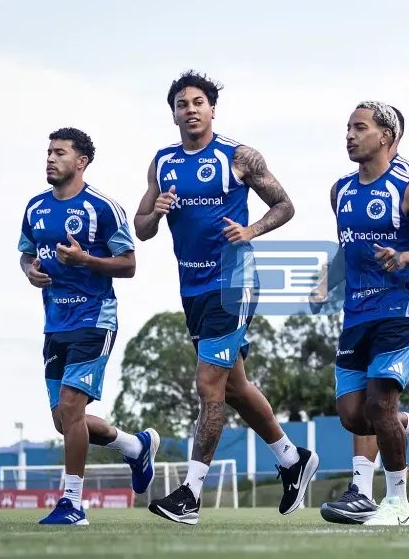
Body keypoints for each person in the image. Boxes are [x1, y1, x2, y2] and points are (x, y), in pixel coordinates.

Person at [134, 71, 318, 525]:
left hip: (234, 283)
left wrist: (251, 230)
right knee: (234, 386)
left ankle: (190, 495)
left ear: (213, 110)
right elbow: (141, 227)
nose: (191, 110)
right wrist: (155, 213)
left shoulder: (238, 157)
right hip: (192, 288)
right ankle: (292, 458)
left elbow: (285, 205)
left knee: (208, 384)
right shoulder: (162, 162)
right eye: (182, 104)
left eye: (199, 102)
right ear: (173, 114)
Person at [310, 101, 409, 526]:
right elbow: (349, 249)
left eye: (360, 128)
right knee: (355, 416)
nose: (349, 135)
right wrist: (325, 282)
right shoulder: (340, 191)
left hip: (401, 307)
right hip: (356, 314)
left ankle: (397, 503)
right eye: (348, 128)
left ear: (386, 136)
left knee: (381, 404)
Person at [18, 127, 159, 526]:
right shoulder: (35, 207)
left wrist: (86, 261)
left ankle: (73, 504)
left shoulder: (103, 208)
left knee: (70, 407)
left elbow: (129, 264)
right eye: (49, 152)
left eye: (60, 153)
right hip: (54, 324)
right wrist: (30, 271)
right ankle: (135, 447)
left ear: (81, 162)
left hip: (95, 318)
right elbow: (26, 254)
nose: (50, 158)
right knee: (64, 421)